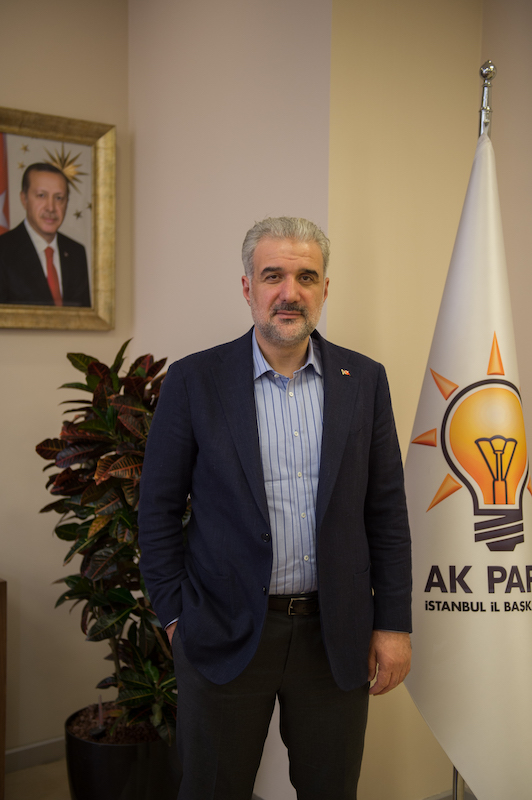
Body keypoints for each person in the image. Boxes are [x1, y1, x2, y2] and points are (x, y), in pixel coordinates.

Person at [139, 217, 412, 800]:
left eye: (306, 276)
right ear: (248, 288)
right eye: (273, 276)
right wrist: (175, 615)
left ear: (325, 288)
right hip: (223, 629)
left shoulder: (364, 380)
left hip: (334, 636)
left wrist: (392, 624)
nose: (290, 292)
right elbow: (157, 509)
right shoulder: (194, 381)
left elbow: (386, 511)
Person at [0, 163, 90, 306]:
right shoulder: (3, 251)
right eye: (41, 195)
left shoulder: (76, 253)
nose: (51, 207)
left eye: (59, 198)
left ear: (67, 203)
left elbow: (84, 316)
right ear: (24, 199)